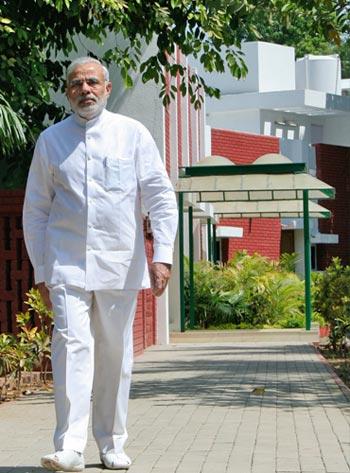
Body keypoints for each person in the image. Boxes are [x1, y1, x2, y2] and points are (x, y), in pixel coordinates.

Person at [23, 56, 178, 471]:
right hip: (66, 264)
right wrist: (41, 266)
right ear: (67, 92)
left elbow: (160, 197)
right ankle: (70, 446)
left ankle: (111, 442)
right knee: (72, 346)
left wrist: (162, 256)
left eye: (93, 82)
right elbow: (36, 209)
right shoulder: (51, 141)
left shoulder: (133, 135)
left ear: (107, 89)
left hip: (119, 264)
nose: (85, 90)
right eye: (77, 84)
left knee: (113, 352)